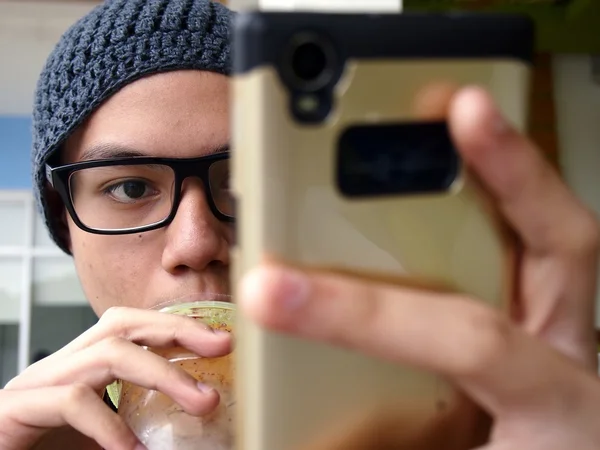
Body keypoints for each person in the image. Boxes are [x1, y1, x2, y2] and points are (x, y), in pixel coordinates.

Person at [0, 0, 598, 449]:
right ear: (64, 221)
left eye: (243, 182)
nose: (196, 243)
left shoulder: (423, 428)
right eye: (130, 188)